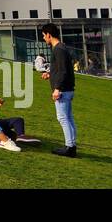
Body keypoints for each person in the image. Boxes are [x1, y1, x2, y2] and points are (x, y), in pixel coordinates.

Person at [39, 23, 77, 157]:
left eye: (44, 36)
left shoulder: (58, 49)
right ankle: (71, 145)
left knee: (62, 118)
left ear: (49, 35)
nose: (44, 38)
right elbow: (61, 69)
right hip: (67, 89)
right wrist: (50, 74)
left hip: (63, 90)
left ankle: (69, 146)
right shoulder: (61, 48)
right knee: (68, 118)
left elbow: (63, 71)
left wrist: (57, 88)